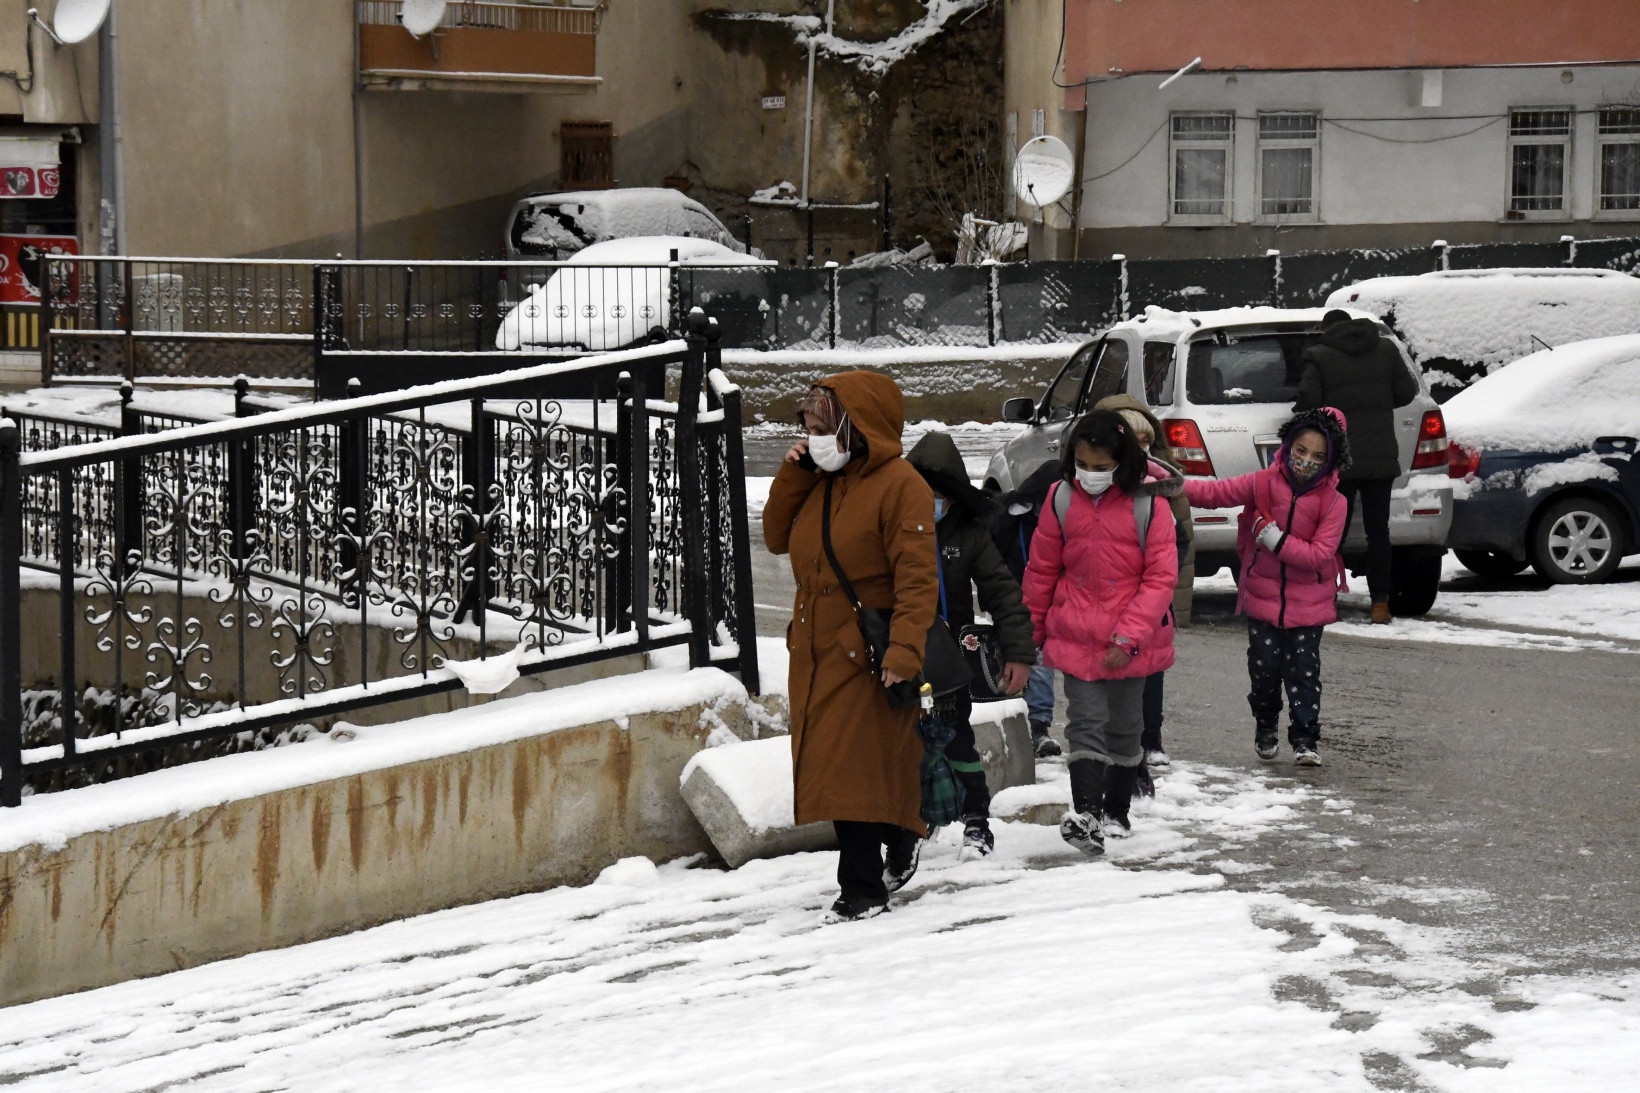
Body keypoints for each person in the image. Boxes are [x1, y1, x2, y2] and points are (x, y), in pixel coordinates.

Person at [763, 372, 940, 923]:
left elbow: (917, 580)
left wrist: (905, 652)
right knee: (835, 766)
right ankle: (903, 830)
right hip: (814, 648)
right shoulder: (820, 479)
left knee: (850, 769)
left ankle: (861, 889)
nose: (815, 438)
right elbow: (773, 534)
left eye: (825, 428)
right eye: (809, 428)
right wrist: (796, 472)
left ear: (857, 428)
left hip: (865, 652)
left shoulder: (901, 484)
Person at [1022, 410, 1179, 856]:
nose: (1090, 475)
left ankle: (1116, 810)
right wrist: (1028, 633)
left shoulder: (1151, 507)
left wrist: (1127, 638)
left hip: (1132, 640)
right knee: (1085, 722)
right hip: (1075, 634)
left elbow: (1159, 580)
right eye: (1083, 466)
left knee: (1127, 730)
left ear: (1122, 462)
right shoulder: (1060, 498)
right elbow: (1041, 570)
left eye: (1101, 467)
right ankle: (1086, 814)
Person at [1182, 409, 1351, 767]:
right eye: (1301, 450)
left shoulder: (1335, 503)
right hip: (1262, 599)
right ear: (1287, 445)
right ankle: (1266, 726)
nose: (1306, 461)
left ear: (1332, 461)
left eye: (1319, 456)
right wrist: (1164, 480)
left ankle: (1306, 740)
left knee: (1304, 674)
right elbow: (1213, 493)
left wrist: (1274, 539)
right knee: (1264, 671)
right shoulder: (1261, 483)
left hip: (1309, 605)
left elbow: (1320, 555)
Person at [906, 430, 1036, 860]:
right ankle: (909, 823)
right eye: (923, 493)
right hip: (899, 657)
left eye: (941, 495)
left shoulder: (969, 536)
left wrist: (1018, 653)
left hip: (948, 663)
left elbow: (1002, 592)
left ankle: (976, 819)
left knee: (957, 739)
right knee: (902, 744)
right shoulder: (893, 530)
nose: (932, 503)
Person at [1294, 309, 1418, 625]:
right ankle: (1379, 603)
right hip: (1380, 456)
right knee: (1379, 532)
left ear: (1326, 329)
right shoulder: (1386, 348)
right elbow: (1407, 391)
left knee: (1333, 532)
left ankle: (1327, 598)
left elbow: (1308, 397)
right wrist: (1375, 401)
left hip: (1341, 459)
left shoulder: (1319, 355)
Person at [1095, 393, 1196, 771]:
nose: (1141, 450)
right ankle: (1110, 737)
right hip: (1103, 594)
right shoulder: (1090, 485)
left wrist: (1162, 581)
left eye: (1146, 442)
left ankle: (1151, 737)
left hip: (1152, 596)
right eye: (1131, 442)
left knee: (1151, 668)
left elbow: (1182, 538)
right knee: (1104, 668)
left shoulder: (1165, 485)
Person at [991, 461, 1065, 758]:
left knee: (1040, 661)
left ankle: (1038, 726)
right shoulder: (1014, 520)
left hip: (1050, 601)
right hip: (1014, 598)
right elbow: (993, 546)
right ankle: (1021, 724)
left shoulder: (1062, 519)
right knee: (1015, 659)